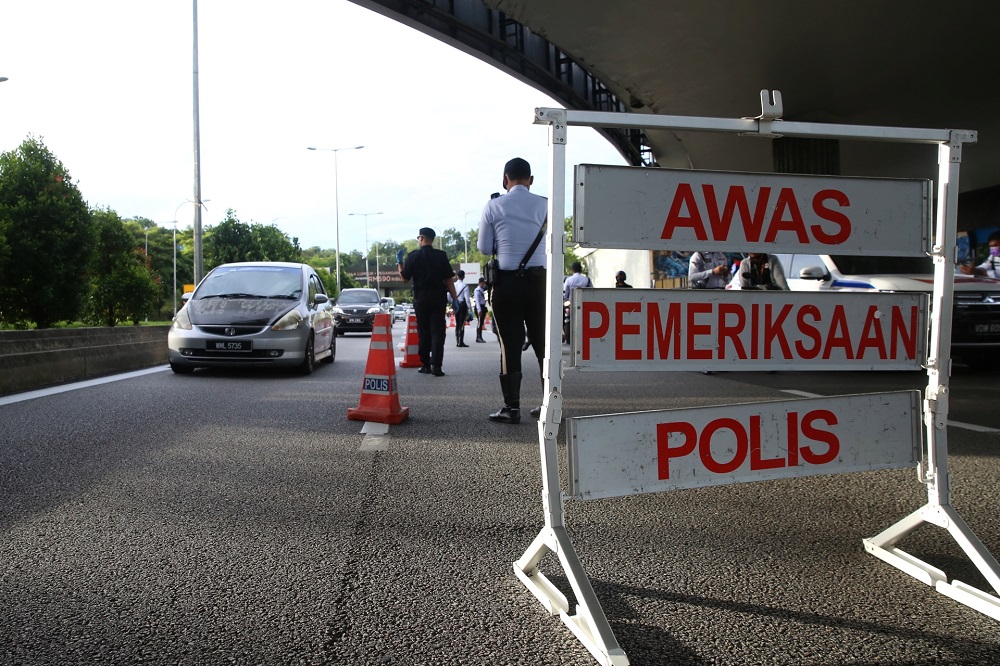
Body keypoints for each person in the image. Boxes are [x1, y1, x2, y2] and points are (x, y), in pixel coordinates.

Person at [477, 157, 547, 423]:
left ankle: (512, 408)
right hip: (540, 283)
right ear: (531, 180)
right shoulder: (546, 204)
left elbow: (485, 248)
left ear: (505, 179)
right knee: (544, 345)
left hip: (506, 283)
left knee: (509, 345)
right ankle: (550, 405)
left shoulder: (494, 206)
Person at [397, 227, 457, 377]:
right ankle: (437, 366)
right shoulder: (441, 256)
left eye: (419, 238)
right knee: (438, 332)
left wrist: (399, 263)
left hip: (421, 300)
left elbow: (404, 279)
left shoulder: (413, 256)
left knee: (424, 332)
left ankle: (425, 364)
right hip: (438, 299)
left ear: (422, 238)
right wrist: (455, 299)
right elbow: (449, 280)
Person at [451, 270, 471, 347]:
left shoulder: (453, 285)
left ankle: (457, 341)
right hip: (462, 305)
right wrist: (470, 309)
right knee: (462, 323)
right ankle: (461, 341)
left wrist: (453, 302)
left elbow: (449, 295)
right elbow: (467, 299)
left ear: (457, 276)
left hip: (456, 304)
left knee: (457, 323)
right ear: (464, 277)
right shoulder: (465, 286)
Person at [473, 277, 488, 343]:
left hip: (482, 307)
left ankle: (480, 337)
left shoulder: (482, 290)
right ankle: (478, 337)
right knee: (479, 323)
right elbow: (477, 301)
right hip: (479, 307)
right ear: (480, 283)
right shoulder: (477, 290)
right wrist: (479, 310)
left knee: (481, 322)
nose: (484, 284)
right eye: (483, 283)